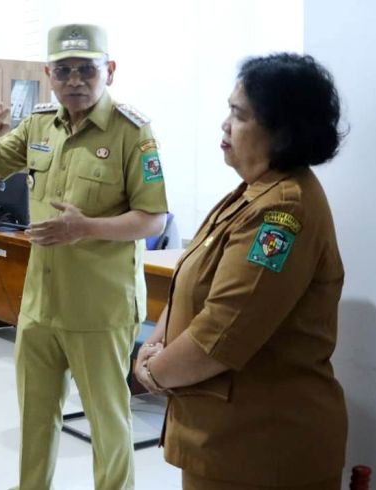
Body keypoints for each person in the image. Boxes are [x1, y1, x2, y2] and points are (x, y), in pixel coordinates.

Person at [0, 24, 168, 490]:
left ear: (109, 71)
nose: (75, 79)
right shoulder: (40, 123)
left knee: (108, 423)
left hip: (100, 307)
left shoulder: (132, 131)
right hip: (41, 303)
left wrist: (86, 228)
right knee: (36, 420)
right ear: (49, 75)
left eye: (86, 69)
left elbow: (153, 218)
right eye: (64, 70)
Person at [133, 53, 347, 490]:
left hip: (264, 451)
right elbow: (188, 286)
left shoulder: (283, 210)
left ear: (282, 131)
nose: (225, 125)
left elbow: (221, 333)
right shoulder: (250, 194)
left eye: (239, 114)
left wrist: (154, 373)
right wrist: (154, 342)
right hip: (227, 440)